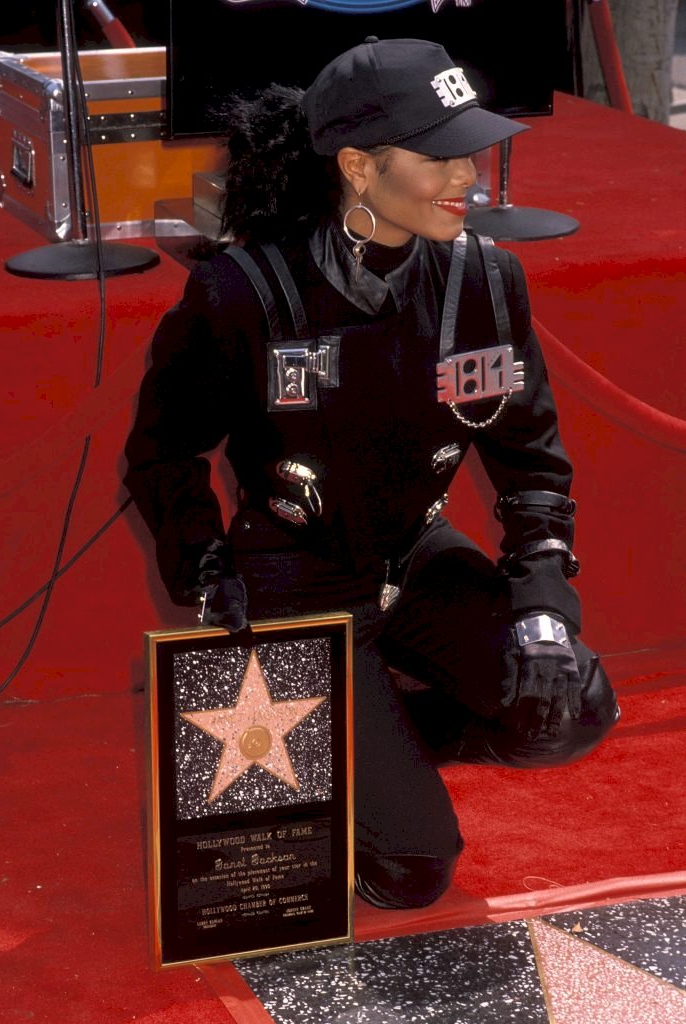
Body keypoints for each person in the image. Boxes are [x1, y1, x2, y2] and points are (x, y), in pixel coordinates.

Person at [124, 37, 619, 910]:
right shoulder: (245, 294)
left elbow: (533, 466)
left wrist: (543, 609)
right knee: (413, 872)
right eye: (439, 156)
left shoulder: (489, 284)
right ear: (357, 165)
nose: (468, 173)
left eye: (470, 148)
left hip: (415, 557)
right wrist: (204, 565)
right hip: (296, 577)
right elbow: (162, 451)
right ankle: (352, 750)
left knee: (571, 708)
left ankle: (363, 735)